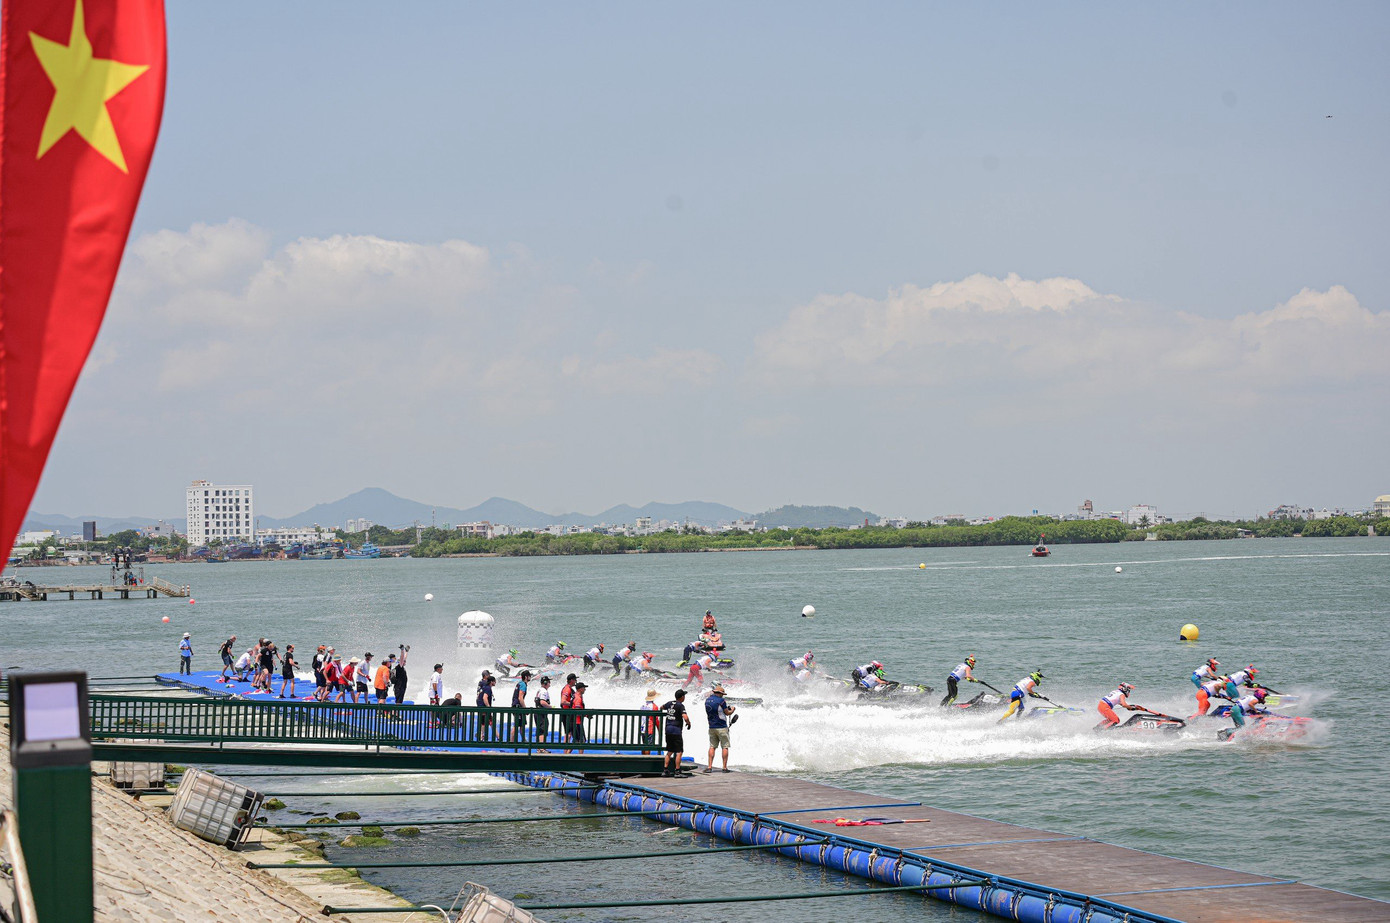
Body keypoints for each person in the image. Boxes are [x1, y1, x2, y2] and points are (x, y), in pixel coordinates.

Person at [703, 683, 735, 773]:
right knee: (725, 746)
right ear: (720, 693)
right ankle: (724, 768)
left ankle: (709, 767)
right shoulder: (721, 701)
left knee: (712, 747)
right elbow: (727, 713)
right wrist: (732, 709)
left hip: (711, 726)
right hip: (721, 726)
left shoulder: (707, 700)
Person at [662, 688, 692, 777]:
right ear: (682, 697)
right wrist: (689, 723)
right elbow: (685, 717)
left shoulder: (669, 703)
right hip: (676, 731)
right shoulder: (680, 705)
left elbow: (662, 707)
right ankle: (677, 771)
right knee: (679, 751)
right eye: (684, 696)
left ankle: (665, 770)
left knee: (670, 751)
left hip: (668, 729)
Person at [510, 670, 531, 742]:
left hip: (516, 705)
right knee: (516, 725)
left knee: (522, 724)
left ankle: (524, 740)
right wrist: (525, 709)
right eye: (529, 676)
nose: (530, 677)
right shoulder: (523, 685)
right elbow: (520, 697)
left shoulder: (520, 683)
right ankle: (511, 742)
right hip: (518, 706)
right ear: (526, 677)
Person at [559, 673, 578, 751]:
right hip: (567, 714)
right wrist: (572, 704)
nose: (576, 681)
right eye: (575, 680)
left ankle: (566, 751)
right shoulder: (567, 689)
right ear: (571, 680)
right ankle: (565, 752)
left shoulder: (570, 688)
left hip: (569, 713)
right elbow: (563, 701)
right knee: (569, 734)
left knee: (569, 733)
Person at [533, 675, 553, 750]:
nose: (550, 683)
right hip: (541, 713)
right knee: (542, 730)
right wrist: (550, 707)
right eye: (548, 682)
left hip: (537, 712)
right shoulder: (544, 691)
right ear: (545, 683)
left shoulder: (539, 690)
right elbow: (542, 702)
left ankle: (538, 748)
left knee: (539, 730)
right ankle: (541, 748)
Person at [640, 688, 661, 754]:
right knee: (648, 746)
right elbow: (656, 719)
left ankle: (643, 760)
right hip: (649, 728)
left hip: (642, 728)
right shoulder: (654, 707)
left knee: (644, 745)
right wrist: (659, 728)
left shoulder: (643, 706)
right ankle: (647, 760)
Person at [476, 671, 496, 740]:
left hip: (479, 703)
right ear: (485, 676)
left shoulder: (481, 682)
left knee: (483, 721)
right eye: (489, 675)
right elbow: (485, 696)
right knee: (488, 720)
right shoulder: (486, 684)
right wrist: (488, 706)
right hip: (483, 704)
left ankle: (481, 734)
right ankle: (497, 736)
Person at [570, 680, 589, 748]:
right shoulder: (578, 698)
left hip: (574, 721)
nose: (585, 689)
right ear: (580, 689)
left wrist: (586, 715)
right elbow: (577, 710)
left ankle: (567, 754)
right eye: (584, 688)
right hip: (577, 722)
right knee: (582, 741)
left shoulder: (575, 695)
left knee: (576, 741)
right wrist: (586, 714)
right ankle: (581, 756)